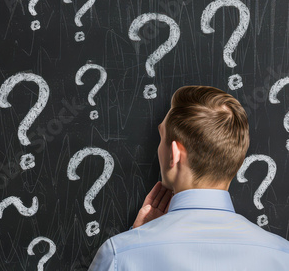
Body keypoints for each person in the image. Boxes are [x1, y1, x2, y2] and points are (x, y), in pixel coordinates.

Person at [88, 86, 289, 270]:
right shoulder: (282, 255)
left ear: (174, 154)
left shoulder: (119, 255)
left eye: (161, 137)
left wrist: (135, 238)